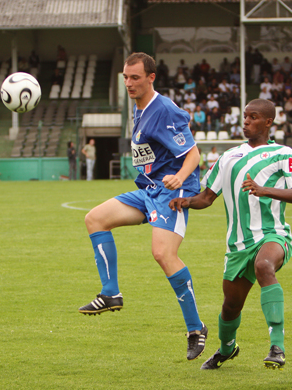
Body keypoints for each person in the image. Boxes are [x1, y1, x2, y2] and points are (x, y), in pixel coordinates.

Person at [79, 53, 207, 361]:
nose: (129, 83)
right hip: (148, 190)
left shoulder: (164, 109)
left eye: (135, 77)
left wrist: (179, 177)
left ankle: (196, 328)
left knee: (164, 254)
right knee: (95, 219)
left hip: (170, 193)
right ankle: (110, 293)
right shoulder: (139, 109)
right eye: (125, 77)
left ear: (151, 77)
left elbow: (194, 155)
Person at [169, 99, 292, 370]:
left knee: (264, 266)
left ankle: (277, 346)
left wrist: (265, 189)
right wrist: (185, 201)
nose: (245, 121)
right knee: (231, 306)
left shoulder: (283, 153)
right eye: (245, 116)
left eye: (253, 117)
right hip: (237, 244)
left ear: (268, 122)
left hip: (273, 234)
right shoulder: (228, 157)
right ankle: (226, 349)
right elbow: (207, 197)